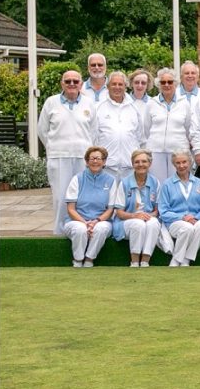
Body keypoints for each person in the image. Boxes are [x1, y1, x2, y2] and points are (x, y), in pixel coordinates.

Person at [39, 69, 95, 234]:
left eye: (75, 81)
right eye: (68, 81)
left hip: (82, 157)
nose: (71, 84)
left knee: (82, 196)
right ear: (62, 83)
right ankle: (59, 232)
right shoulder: (51, 102)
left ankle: (81, 230)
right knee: (60, 196)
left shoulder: (88, 103)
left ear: (80, 84)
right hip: (59, 157)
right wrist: (53, 149)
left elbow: (94, 131)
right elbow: (42, 130)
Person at [62, 146, 123, 267]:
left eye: (99, 158)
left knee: (100, 229)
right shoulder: (77, 179)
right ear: (86, 161)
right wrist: (85, 223)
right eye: (92, 158)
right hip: (76, 220)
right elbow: (71, 209)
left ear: (104, 161)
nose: (95, 161)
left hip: (101, 220)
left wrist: (95, 222)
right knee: (80, 229)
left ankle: (89, 259)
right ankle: (78, 260)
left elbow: (110, 210)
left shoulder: (111, 180)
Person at [113, 149, 167, 267]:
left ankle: (145, 261)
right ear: (132, 164)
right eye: (137, 162)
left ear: (150, 164)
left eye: (144, 161)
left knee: (153, 223)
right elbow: (119, 212)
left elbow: (157, 210)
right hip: (126, 221)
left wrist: (147, 216)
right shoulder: (124, 183)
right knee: (138, 224)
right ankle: (134, 261)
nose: (141, 164)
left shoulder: (155, 182)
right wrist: (135, 216)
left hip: (148, 218)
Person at [157, 150, 200, 267]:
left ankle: (186, 259)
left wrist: (195, 217)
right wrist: (183, 217)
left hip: (195, 220)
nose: (181, 166)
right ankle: (176, 260)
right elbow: (163, 211)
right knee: (187, 228)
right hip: (174, 223)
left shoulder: (199, 183)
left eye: (184, 162)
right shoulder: (167, 184)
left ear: (190, 162)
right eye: (178, 163)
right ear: (174, 164)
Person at [144, 68, 192, 183]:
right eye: (163, 82)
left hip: (178, 151)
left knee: (177, 183)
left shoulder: (184, 103)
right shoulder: (151, 103)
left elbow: (188, 127)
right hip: (156, 151)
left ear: (175, 84)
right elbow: (146, 128)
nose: (166, 85)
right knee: (157, 183)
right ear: (158, 84)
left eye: (170, 82)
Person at [92, 72, 143, 181]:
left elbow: (140, 137)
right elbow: (93, 137)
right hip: (106, 167)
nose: (117, 87)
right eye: (114, 84)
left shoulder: (134, 108)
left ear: (125, 86)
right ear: (107, 86)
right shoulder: (98, 108)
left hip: (129, 167)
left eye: (120, 84)